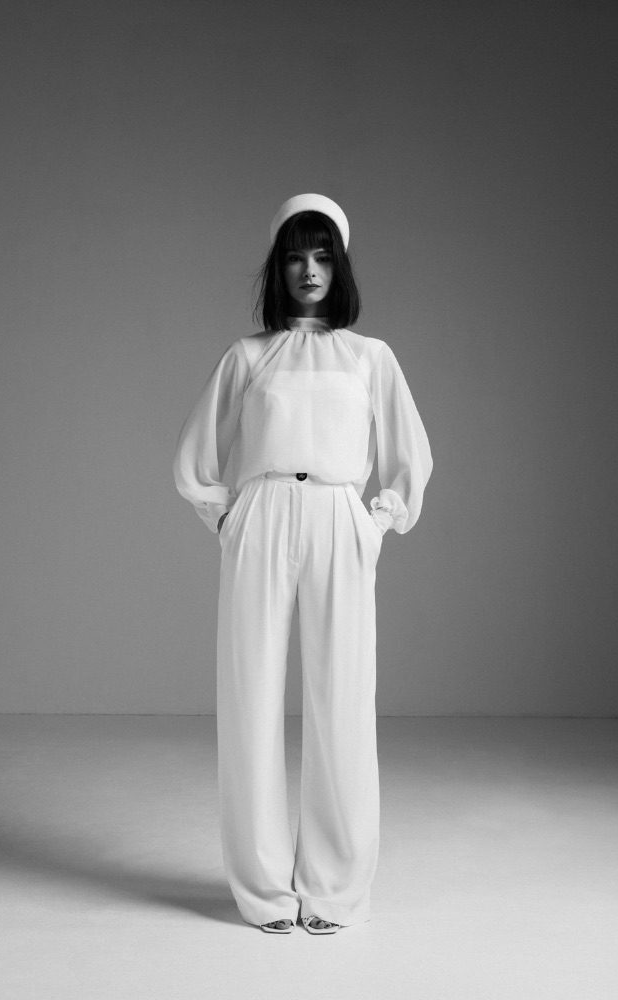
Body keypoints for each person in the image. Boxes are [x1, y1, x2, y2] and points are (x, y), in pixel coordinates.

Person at [172, 193, 433, 934]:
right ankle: (262, 890)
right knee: (249, 699)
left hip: (338, 518)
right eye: (294, 257)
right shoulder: (248, 356)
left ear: (339, 266)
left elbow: (409, 458)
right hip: (260, 515)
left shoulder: (370, 357)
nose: (309, 270)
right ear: (278, 269)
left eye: (322, 256)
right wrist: (228, 517)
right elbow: (196, 457)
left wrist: (374, 522)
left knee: (343, 699)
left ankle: (335, 887)